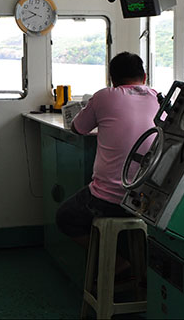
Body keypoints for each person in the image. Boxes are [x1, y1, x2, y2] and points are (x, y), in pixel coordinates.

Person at [55, 52, 160, 253]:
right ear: (145, 77)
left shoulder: (104, 96)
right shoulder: (158, 98)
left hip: (109, 200)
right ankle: (128, 258)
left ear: (112, 79)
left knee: (65, 217)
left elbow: (78, 128)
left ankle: (116, 263)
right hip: (148, 199)